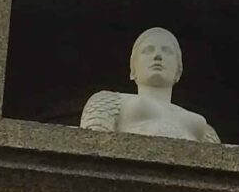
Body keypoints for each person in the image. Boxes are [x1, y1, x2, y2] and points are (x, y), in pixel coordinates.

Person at [79, 27, 219, 144]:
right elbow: (92, 146)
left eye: (167, 51)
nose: (158, 56)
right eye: (148, 50)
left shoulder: (202, 126)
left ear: (178, 71)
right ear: (133, 69)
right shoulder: (108, 100)